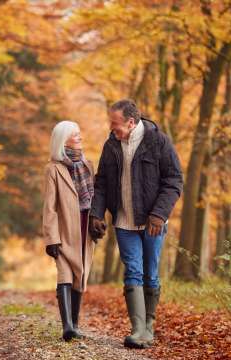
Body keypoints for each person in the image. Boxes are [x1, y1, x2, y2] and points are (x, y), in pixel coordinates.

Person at [89, 99, 183, 348]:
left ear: (131, 122)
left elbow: (174, 181)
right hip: (123, 221)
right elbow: (101, 183)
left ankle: (149, 327)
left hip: (153, 222)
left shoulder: (158, 142)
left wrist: (159, 214)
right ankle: (137, 329)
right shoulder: (111, 145)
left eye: (115, 123)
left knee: (150, 273)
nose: (111, 128)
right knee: (133, 270)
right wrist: (96, 214)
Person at [42, 120, 98, 341]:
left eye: (79, 134)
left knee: (80, 274)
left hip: (85, 228)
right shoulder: (53, 169)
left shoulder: (88, 165)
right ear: (63, 139)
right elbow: (49, 207)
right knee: (65, 273)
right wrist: (51, 238)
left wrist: (98, 220)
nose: (80, 138)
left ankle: (75, 324)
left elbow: (95, 199)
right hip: (64, 229)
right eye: (75, 135)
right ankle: (67, 327)